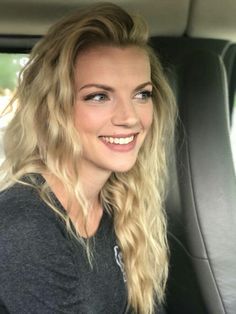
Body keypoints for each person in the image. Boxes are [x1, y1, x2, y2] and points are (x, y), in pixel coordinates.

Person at [0, 3, 176, 314]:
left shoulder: (119, 202)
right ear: (53, 109)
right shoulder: (25, 225)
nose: (130, 118)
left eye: (141, 94)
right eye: (98, 96)